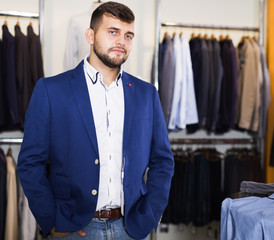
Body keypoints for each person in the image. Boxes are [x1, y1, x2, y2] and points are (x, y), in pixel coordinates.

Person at [17, 2, 174, 239]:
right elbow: (30, 162)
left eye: (128, 35)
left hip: (130, 227)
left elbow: (162, 160)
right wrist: (50, 219)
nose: (121, 41)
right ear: (90, 35)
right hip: (73, 229)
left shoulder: (146, 94)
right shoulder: (51, 90)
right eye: (113, 32)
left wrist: (150, 213)